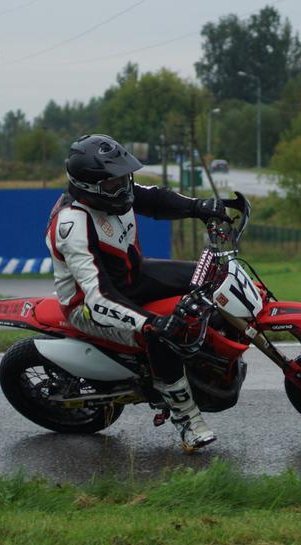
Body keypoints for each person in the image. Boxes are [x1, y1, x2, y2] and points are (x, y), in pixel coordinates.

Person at [45, 134, 229, 452]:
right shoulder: (73, 225)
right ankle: (186, 419)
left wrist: (198, 207)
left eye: (124, 177)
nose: (124, 186)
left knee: (211, 276)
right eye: (114, 182)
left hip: (132, 275)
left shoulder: (116, 192)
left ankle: (209, 359)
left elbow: (156, 200)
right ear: (89, 186)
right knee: (163, 336)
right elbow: (98, 297)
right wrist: (151, 323)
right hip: (89, 305)